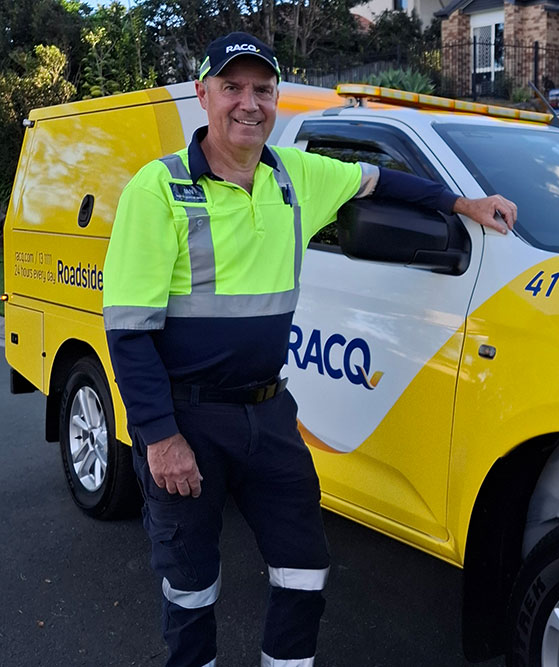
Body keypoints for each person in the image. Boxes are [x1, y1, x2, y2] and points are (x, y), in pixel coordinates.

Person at [102, 32, 516, 667]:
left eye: (262, 90)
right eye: (232, 88)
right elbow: (129, 331)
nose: (249, 103)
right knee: (190, 583)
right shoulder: (158, 189)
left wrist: (465, 202)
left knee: (304, 569)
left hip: (269, 415)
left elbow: (382, 183)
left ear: (277, 98)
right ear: (203, 93)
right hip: (189, 419)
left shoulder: (296, 175)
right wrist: (159, 437)